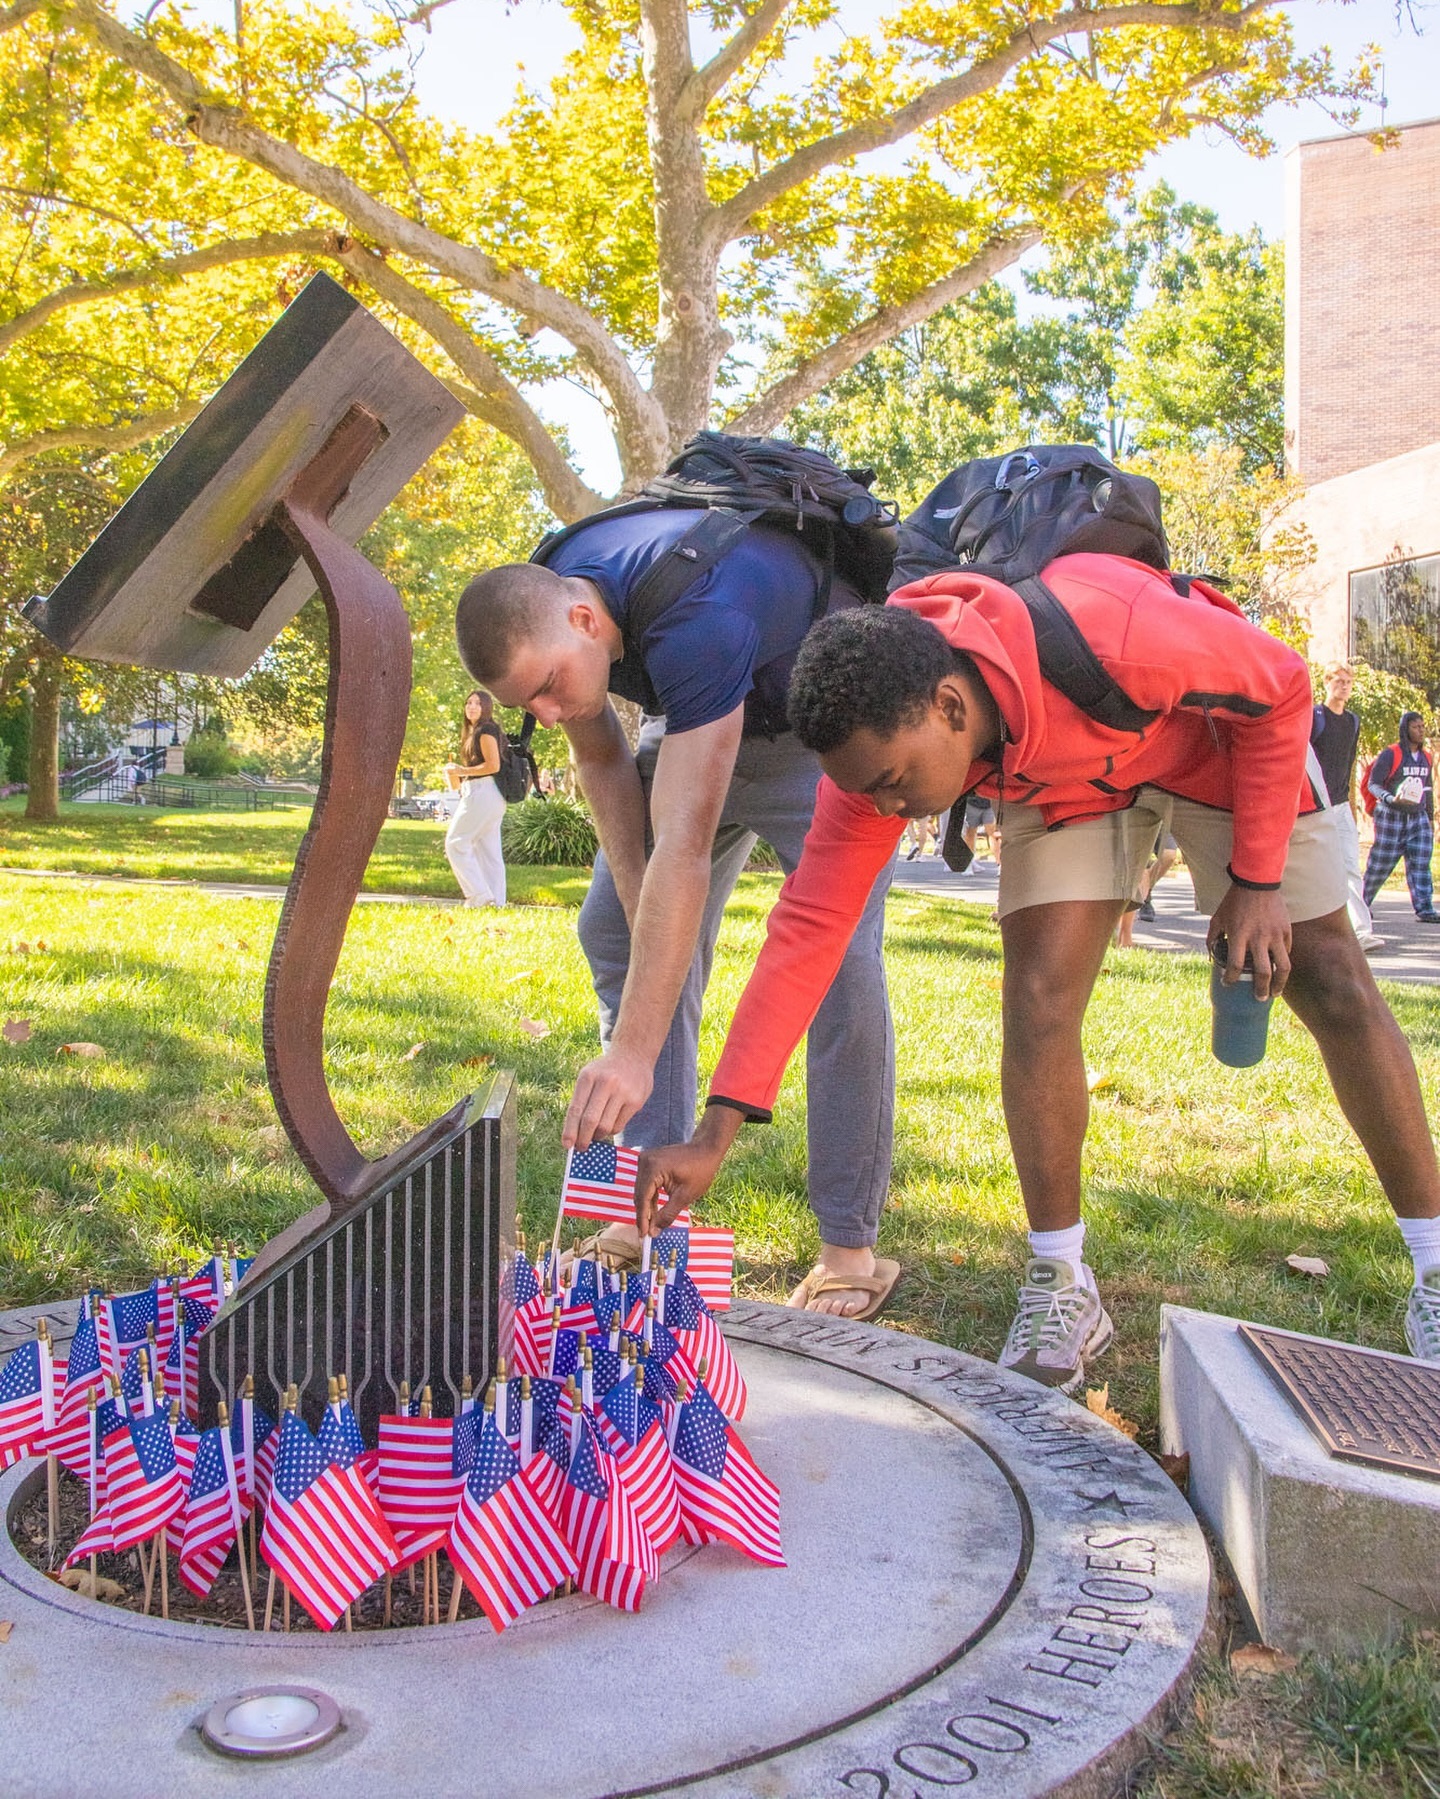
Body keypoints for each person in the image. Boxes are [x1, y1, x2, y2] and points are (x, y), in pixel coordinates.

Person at [632, 555, 1440, 1388]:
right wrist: (710, 1137)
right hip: (1072, 782)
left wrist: (1258, 882)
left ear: (949, 706)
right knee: (1039, 993)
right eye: (867, 794)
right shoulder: (874, 756)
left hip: (1218, 748)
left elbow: (1279, 685)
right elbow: (806, 933)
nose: (883, 812)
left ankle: (1434, 1267)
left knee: (1331, 977)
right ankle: (1061, 1279)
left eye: (893, 785)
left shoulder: (1121, 631)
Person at [454, 515, 898, 1319]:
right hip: (699, 715)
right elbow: (599, 759)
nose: (549, 714)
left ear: (584, 621)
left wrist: (634, 1048)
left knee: (840, 963)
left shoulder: (701, 618)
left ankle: (849, 1247)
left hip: (812, 734)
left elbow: (684, 848)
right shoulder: (559, 592)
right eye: (531, 705)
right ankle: (645, 1212)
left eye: (551, 687)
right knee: (618, 929)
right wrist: (644, 919)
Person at [1312, 663, 1383, 949]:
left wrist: (1351, 806)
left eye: (1348, 682)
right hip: (1314, 805)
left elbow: (1349, 765)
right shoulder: (1316, 717)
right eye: (1339, 681)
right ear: (1327, 683)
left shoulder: (1352, 721)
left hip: (1340, 805)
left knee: (1350, 866)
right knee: (1312, 866)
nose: (1344, 686)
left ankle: (1360, 932)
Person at [1363, 710, 1440, 923]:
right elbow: (1373, 784)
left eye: (1423, 726)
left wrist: (1430, 818)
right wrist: (1390, 799)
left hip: (1418, 816)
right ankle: (1361, 904)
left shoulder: (1426, 757)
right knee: (1380, 863)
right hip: (1391, 816)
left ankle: (1424, 908)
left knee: (1421, 862)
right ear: (1406, 729)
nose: (1421, 730)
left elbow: (1428, 788)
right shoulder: (1391, 754)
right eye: (1416, 727)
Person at [443, 689, 507, 907]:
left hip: (484, 792)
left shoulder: (486, 729)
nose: (471, 706)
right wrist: (457, 774)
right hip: (486, 794)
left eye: (477, 703)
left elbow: (493, 765)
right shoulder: (472, 732)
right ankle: (496, 902)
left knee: (456, 842)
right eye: (468, 702)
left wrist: (461, 771)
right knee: (487, 850)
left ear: (486, 707)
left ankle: (478, 895)